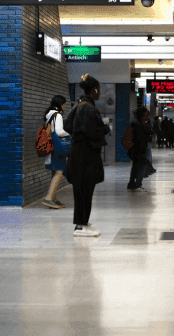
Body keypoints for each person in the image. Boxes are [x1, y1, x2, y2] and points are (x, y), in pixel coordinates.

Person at [67, 74, 111, 237]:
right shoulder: (88, 108)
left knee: (84, 190)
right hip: (84, 156)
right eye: (98, 90)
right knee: (84, 190)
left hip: (80, 154)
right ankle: (80, 225)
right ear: (95, 90)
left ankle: (83, 222)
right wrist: (105, 128)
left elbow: (67, 125)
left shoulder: (80, 105)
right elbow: (91, 131)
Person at [42, 95, 70, 210]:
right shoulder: (57, 115)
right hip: (57, 147)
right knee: (59, 172)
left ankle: (53, 199)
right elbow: (59, 131)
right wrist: (68, 134)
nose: (64, 106)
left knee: (54, 173)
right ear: (60, 104)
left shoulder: (49, 114)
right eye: (64, 104)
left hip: (51, 147)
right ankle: (49, 198)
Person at [127, 107, 153, 191]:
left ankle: (133, 183)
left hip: (136, 150)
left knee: (136, 166)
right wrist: (142, 152)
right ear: (141, 115)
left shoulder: (138, 123)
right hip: (138, 150)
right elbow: (140, 140)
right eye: (146, 115)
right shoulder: (139, 125)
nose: (147, 117)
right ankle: (136, 184)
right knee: (140, 167)